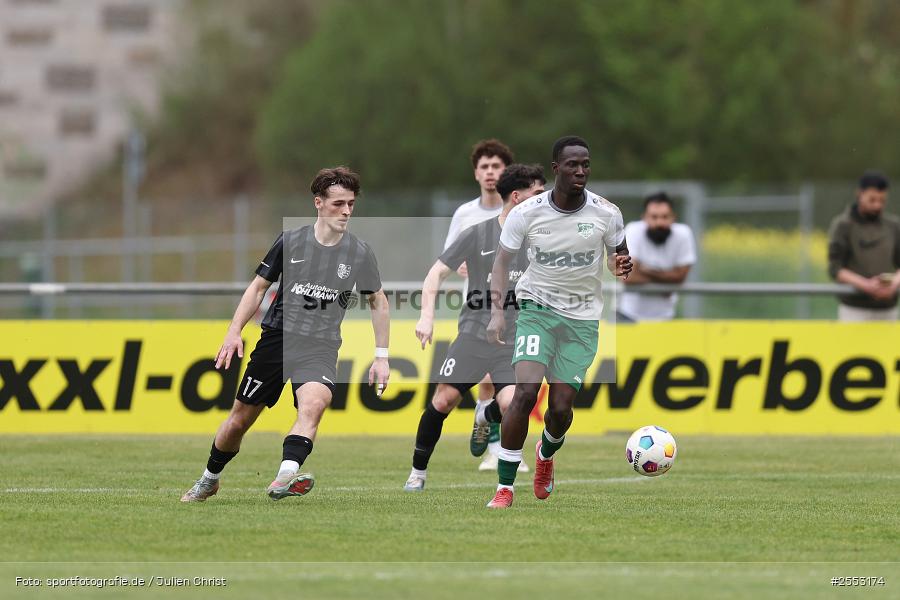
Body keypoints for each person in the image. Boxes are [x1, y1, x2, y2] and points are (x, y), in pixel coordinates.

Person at [180, 167, 391, 502]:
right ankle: (210, 477)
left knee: (315, 404)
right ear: (318, 203)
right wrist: (234, 331)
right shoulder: (290, 241)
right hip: (277, 340)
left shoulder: (359, 252)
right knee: (238, 422)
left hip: (320, 345)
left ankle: (285, 476)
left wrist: (382, 356)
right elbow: (258, 287)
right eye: (339, 203)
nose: (347, 211)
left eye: (351, 203)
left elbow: (377, 300)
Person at [485, 136, 632, 509]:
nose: (580, 171)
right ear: (556, 169)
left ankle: (546, 455)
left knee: (562, 407)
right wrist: (498, 312)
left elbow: (620, 259)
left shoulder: (607, 213)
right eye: (572, 165)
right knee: (525, 393)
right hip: (537, 309)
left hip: (582, 318)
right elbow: (501, 264)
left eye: (585, 164)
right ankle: (505, 487)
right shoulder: (526, 213)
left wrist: (622, 267)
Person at [403, 164, 546, 491]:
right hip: (473, 332)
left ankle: (492, 434)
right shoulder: (478, 233)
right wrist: (427, 315)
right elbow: (435, 273)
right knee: (443, 401)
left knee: (515, 404)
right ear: (516, 197)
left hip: (515, 338)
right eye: (537, 195)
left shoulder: (541, 239)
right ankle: (418, 472)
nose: (543, 201)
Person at [444, 139, 515, 471]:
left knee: (506, 383)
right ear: (476, 173)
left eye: (496, 166)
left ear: (506, 173)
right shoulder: (466, 214)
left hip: (512, 309)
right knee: (488, 378)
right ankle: (494, 445)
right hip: (476, 309)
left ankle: (487, 423)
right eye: (485, 167)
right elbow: (449, 258)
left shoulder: (517, 213)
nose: (490, 172)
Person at [828, 171, 900, 321]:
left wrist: (893, 284)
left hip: (888, 309)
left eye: (882, 200)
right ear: (860, 194)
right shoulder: (843, 225)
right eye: (872, 200)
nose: (877, 205)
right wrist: (866, 286)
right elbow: (836, 269)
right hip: (855, 310)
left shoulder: (893, 226)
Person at [617, 192, 696, 322]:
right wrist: (665, 283)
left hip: (666, 317)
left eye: (665, 217)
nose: (659, 222)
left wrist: (644, 269)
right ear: (644, 218)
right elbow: (628, 277)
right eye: (654, 217)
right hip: (628, 316)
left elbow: (679, 278)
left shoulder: (683, 234)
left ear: (673, 218)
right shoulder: (633, 230)